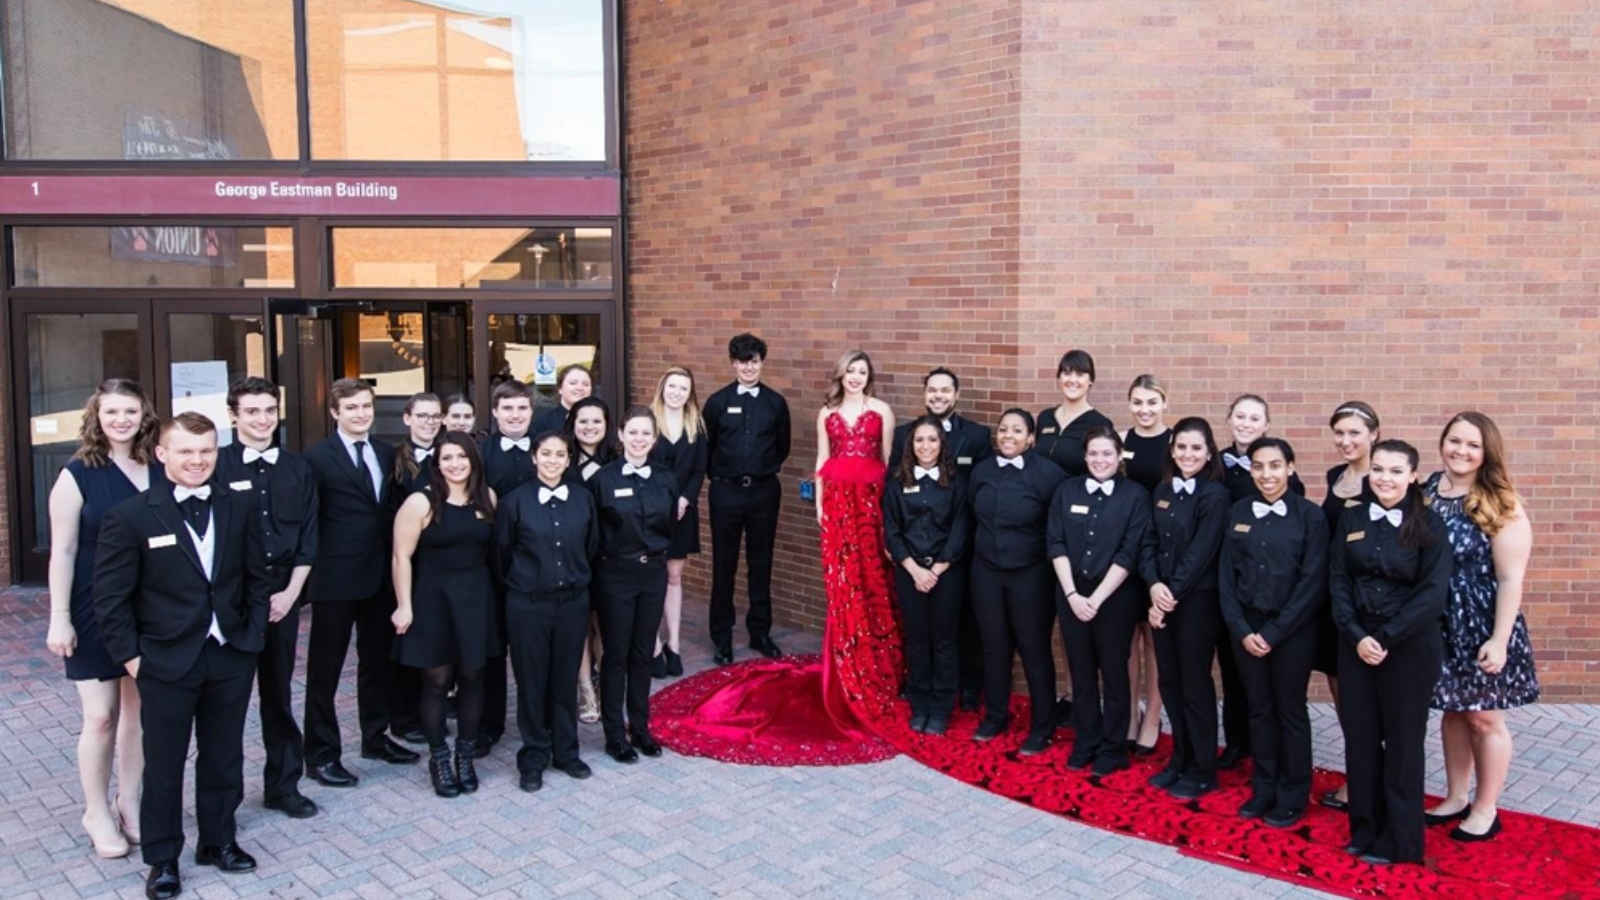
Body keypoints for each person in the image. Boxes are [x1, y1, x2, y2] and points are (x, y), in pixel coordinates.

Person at [93, 413, 271, 900]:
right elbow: (110, 599)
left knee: (223, 755)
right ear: (162, 454)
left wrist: (251, 634)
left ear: (217, 452)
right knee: (165, 763)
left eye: (206, 451)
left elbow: (258, 577)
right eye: (187, 451)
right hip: (165, 661)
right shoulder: (130, 516)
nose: (197, 461)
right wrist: (132, 659)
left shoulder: (239, 504)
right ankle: (163, 857)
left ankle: (218, 840)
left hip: (230, 653)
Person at [46, 379, 161, 859]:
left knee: (139, 713)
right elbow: (63, 550)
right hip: (93, 607)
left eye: (129, 411)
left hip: (150, 607)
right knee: (100, 716)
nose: (121, 420)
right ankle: (95, 810)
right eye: (111, 412)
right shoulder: (77, 473)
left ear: (143, 415)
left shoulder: (158, 466)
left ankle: (129, 801)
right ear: (97, 416)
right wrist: (59, 617)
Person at [1329, 439, 1451, 865]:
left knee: (1401, 744)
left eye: (1396, 471)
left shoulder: (1431, 525)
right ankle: (1364, 829)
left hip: (1408, 648)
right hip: (1356, 644)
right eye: (1378, 469)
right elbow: (1339, 581)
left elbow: (1432, 594)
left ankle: (1402, 841)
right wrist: (1356, 634)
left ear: (1413, 475)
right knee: (1360, 739)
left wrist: (1386, 638)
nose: (1384, 478)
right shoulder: (1352, 519)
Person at [1422, 412, 1538, 843]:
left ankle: (1486, 807)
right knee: (1453, 710)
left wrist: (1499, 639)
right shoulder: (1428, 490)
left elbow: (1511, 578)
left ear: (1487, 452)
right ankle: (1455, 796)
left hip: (1481, 623)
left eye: (1472, 445)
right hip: (1437, 620)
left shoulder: (1500, 501)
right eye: (1454, 441)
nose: (1461, 451)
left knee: (1484, 720)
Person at [302, 378, 416, 789]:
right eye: (351, 408)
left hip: (379, 578)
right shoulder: (315, 459)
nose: (361, 413)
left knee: (377, 665)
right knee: (325, 671)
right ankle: (320, 754)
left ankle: (375, 736)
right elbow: (308, 520)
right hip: (334, 581)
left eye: (366, 406)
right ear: (335, 412)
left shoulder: (388, 454)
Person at [215, 378, 319, 820]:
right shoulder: (215, 466)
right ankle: (224, 799)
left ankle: (283, 785)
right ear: (233, 415)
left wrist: (291, 594)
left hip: (283, 596)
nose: (262, 419)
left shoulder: (298, 468)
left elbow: (309, 537)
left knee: (278, 694)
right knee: (227, 703)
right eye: (252, 411)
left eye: (269, 410)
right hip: (232, 601)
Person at [1218, 437, 1328, 829]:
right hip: (1246, 630)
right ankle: (1263, 789)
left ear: (1291, 468)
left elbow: (1312, 582)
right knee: (1259, 711)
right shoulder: (1238, 512)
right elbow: (1226, 575)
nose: (1267, 474)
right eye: (1259, 466)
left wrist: (1275, 632)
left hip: (1292, 632)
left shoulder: (1310, 517)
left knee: (1289, 711)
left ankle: (1293, 794)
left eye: (1275, 465)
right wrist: (1242, 628)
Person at [391, 433, 500, 798]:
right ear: (436, 463)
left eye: (461, 457)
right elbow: (400, 557)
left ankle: (464, 757)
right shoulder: (420, 502)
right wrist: (404, 605)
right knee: (436, 682)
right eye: (446, 458)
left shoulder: (487, 498)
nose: (454, 464)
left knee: (472, 678)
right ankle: (440, 758)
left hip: (476, 599)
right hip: (433, 600)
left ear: (473, 461)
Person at [496, 431, 599, 792]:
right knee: (532, 682)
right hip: (528, 605)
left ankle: (566, 752)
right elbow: (502, 555)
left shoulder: (583, 500)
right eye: (546, 453)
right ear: (534, 457)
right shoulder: (514, 503)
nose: (553, 460)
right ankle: (534, 755)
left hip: (572, 603)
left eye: (560, 454)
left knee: (564, 677)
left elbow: (592, 548)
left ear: (568, 460)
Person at [1048, 427, 1152, 770]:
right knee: (1081, 671)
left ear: (1119, 456)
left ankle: (1113, 749)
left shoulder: (1135, 495)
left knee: (1115, 672)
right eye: (1093, 453)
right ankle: (1086, 741)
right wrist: (1074, 595)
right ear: (1085, 456)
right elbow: (1056, 543)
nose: (1100, 460)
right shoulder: (1067, 490)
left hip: (1116, 597)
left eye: (1107, 453)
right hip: (1072, 594)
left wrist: (1097, 598)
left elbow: (1129, 552)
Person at [887, 367, 991, 710]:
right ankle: (921, 691)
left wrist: (946, 559)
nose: (938, 396)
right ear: (925, 394)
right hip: (913, 552)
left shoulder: (976, 436)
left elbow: (981, 491)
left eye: (945, 390)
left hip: (956, 548)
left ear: (956, 395)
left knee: (961, 624)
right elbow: (893, 499)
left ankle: (965, 684)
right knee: (919, 632)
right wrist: (911, 563)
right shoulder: (904, 435)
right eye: (932, 390)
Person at [1140, 417, 1229, 799]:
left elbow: (1200, 553)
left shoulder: (1214, 495)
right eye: (1181, 447)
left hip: (1196, 603)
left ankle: (1203, 766)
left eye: (1196, 448)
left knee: (1194, 683)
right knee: (1169, 681)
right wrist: (1155, 585)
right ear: (1172, 451)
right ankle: (1180, 755)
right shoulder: (1162, 489)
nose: (1187, 454)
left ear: (1209, 452)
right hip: (1163, 598)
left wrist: (1168, 596)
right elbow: (1147, 543)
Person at [1214, 393, 1304, 770]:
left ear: (1265, 425)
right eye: (1240, 416)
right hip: (1229, 580)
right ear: (1229, 420)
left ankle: (1273, 747)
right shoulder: (1215, 465)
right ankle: (1238, 741)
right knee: (1234, 669)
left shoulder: (1285, 479)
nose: (1246, 423)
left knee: (1273, 684)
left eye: (1254, 418)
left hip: (1270, 590)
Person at [968, 409, 1066, 746]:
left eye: (1017, 430)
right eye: (1003, 429)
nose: (1008, 435)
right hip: (986, 571)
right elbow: (971, 516)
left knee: (1034, 648)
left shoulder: (1050, 475)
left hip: (1031, 574)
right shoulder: (981, 472)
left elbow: (1058, 528)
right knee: (994, 647)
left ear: (1031, 438)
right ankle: (995, 716)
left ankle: (1043, 727)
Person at [588, 408, 677, 763]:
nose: (639, 439)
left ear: (654, 440)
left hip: (652, 574)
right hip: (615, 576)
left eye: (646, 434)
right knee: (616, 654)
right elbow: (592, 533)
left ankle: (640, 727)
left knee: (644, 653)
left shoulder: (666, 479)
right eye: (633, 432)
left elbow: (670, 525)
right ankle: (614, 734)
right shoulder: (602, 480)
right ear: (620, 435)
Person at [703, 333, 792, 664]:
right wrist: (723, 477)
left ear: (761, 362)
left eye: (754, 360)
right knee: (724, 565)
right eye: (742, 361)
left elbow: (783, 447)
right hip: (725, 491)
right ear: (733, 363)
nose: (748, 367)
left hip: (764, 491)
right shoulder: (717, 402)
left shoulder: (775, 403)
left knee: (761, 563)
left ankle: (760, 633)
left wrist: (759, 472)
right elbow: (707, 447)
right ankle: (722, 638)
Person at [883, 415, 971, 736]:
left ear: (942, 444)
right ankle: (920, 704)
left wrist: (936, 569)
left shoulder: (956, 483)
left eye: (932, 440)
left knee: (944, 641)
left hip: (946, 573)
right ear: (911, 445)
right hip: (910, 573)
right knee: (918, 641)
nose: (926, 446)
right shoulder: (897, 483)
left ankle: (941, 707)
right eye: (919, 440)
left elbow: (960, 530)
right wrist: (914, 569)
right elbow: (892, 531)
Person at [1317, 401, 1381, 811]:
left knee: (1366, 699)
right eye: (1339, 433)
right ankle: (1358, 772)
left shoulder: (1385, 479)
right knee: (1343, 696)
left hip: (1366, 605)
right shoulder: (1334, 476)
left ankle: (1370, 780)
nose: (1346, 441)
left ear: (1374, 434)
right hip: (1331, 601)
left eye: (1355, 433)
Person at [476, 380, 538, 756]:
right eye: (508, 409)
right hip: (491, 567)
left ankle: (537, 722)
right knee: (493, 650)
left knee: (533, 651)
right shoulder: (480, 454)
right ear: (496, 413)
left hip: (536, 567)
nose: (515, 416)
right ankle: (489, 724)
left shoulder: (546, 450)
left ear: (531, 412)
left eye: (522, 409)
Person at [388, 392, 443, 747]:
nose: (429, 422)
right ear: (407, 418)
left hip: (440, 563)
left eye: (436, 416)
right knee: (407, 643)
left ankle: (434, 708)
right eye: (422, 416)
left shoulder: (450, 456)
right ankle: (404, 717)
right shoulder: (393, 460)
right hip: (406, 561)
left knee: (435, 644)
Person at [647, 367, 708, 678]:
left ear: (690, 392)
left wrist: (686, 498)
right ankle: (654, 645)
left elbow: (699, 470)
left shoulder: (696, 424)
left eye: (683, 388)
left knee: (673, 576)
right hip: (649, 512)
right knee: (652, 577)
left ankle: (674, 645)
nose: (677, 392)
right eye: (672, 386)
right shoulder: (647, 422)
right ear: (662, 387)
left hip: (683, 511)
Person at [1122, 374, 1171, 756]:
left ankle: (1153, 717)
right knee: (1127, 639)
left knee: (1155, 640)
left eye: (1151, 402)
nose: (1144, 410)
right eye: (1137, 402)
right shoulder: (1122, 440)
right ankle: (1130, 716)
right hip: (1126, 551)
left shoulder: (1175, 443)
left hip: (1161, 553)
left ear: (1164, 404)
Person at [565, 396, 616, 722]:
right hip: (573, 559)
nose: (589, 427)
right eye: (583, 421)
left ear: (607, 426)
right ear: (573, 425)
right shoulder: (562, 462)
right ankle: (585, 690)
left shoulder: (617, 462)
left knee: (604, 627)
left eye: (596, 421)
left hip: (610, 560)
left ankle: (603, 686)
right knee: (580, 627)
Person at [1035, 349, 1113, 478]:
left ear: (1090, 381)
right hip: (1040, 496)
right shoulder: (1045, 417)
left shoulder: (1100, 424)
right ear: (1059, 378)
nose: (1072, 379)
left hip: (1074, 497)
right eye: (1066, 373)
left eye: (1080, 374)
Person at [532, 364, 593, 437]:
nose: (580, 388)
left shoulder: (598, 420)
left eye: (586, 384)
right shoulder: (543, 422)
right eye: (573, 383)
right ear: (560, 388)